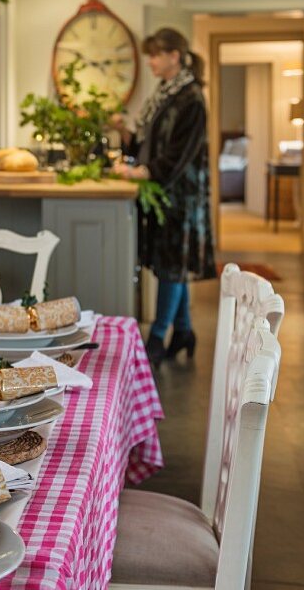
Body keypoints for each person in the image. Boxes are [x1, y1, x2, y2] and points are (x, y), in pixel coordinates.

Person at [113, 28, 216, 366]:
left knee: (173, 265)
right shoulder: (165, 93)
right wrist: (124, 132)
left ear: (174, 55)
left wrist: (144, 172)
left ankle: (157, 337)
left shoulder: (192, 100)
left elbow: (178, 154)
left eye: (156, 55)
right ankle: (184, 331)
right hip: (163, 193)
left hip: (181, 196)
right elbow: (148, 143)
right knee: (171, 266)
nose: (151, 62)